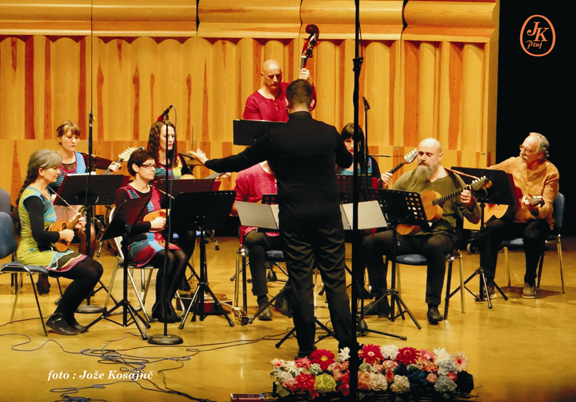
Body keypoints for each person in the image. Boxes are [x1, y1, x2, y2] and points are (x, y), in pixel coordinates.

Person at [191, 79, 353, 357]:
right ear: (313, 103)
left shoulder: (276, 137)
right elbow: (348, 162)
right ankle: (348, 348)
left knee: (301, 283)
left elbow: (240, 161)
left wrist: (208, 163)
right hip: (328, 218)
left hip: (295, 220)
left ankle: (306, 350)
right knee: (335, 283)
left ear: (286, 104)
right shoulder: (329, 133)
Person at [363, 138, 481, 324]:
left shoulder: (454, 181)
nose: (423, 158)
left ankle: (433, 306)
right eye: (420, 153)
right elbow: (390, 206)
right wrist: (383, 190)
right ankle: (380, 301)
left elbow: (475, 218)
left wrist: (471, 202)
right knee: (371, 242)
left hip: (441, 235)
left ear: (439, 156)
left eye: (428, 154)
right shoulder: (409, 178)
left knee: (434, 246)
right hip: (410, 235)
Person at [14, 149, 103, 335]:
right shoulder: (33, 198)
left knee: (97, 268)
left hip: (47, 248)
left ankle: (68, 315)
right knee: (87, 273)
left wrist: (71, 224)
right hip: (33, 252)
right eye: (54, 168)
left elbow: (49, 226)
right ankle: (59, 316)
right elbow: (38, 234)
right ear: (41, 171)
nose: (59, 172)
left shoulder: (44, 191)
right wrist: (62, 236)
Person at [36, 120, 118, 294]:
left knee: (90, 233)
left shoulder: (82, 158)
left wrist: (109, 171)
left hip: (75, 211)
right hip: (53, 209)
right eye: (69, 137)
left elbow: (89, 185)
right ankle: (43, 273)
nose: (74, 140)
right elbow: (40, 185)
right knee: (47, 235)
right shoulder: (51, 159)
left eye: (76, 137)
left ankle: (85, 275)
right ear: (59, 138)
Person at [480, 132, 559, 298]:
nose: (522, 152)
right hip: (513, 217)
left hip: (538, 220)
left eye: (527, 150)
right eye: (521, 147)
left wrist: (533, 208)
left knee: (531, 235)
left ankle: (530, 279)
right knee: (491, 229)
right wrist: (487, 184)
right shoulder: (513, 162)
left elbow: (547, 207)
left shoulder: (551, 172)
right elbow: (488, 173)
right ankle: (487, 282)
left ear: (540, 154)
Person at [114, 149, 188, 323]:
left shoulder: (155, 191)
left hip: (157, 240)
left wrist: (168, 215)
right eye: (148, 166)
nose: (153, 169)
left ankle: (163, 304)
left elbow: (158, 216)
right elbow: (123, 226)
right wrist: (149, 225)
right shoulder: (124, 192)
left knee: (182, 256)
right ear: (135, 167)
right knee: (168, 258)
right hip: (135, 243)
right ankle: (162, 307)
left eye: (154, 166)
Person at [231, 161, 279, 320]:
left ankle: (288, 295)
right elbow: (233, 206)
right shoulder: (248, 174)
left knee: (309, 240)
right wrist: (255, 209)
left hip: (285, 230)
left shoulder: (293, 172)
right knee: (254, 242)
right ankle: (262, 300)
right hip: (257, 229)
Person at [242, 59, 314, 122]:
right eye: (271, 76)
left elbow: (310, 104)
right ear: (262, 75)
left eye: (278, 75)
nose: (275, 80)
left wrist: (310, 84)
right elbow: (255, 129)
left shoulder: (290, 89)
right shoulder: (253, 101)